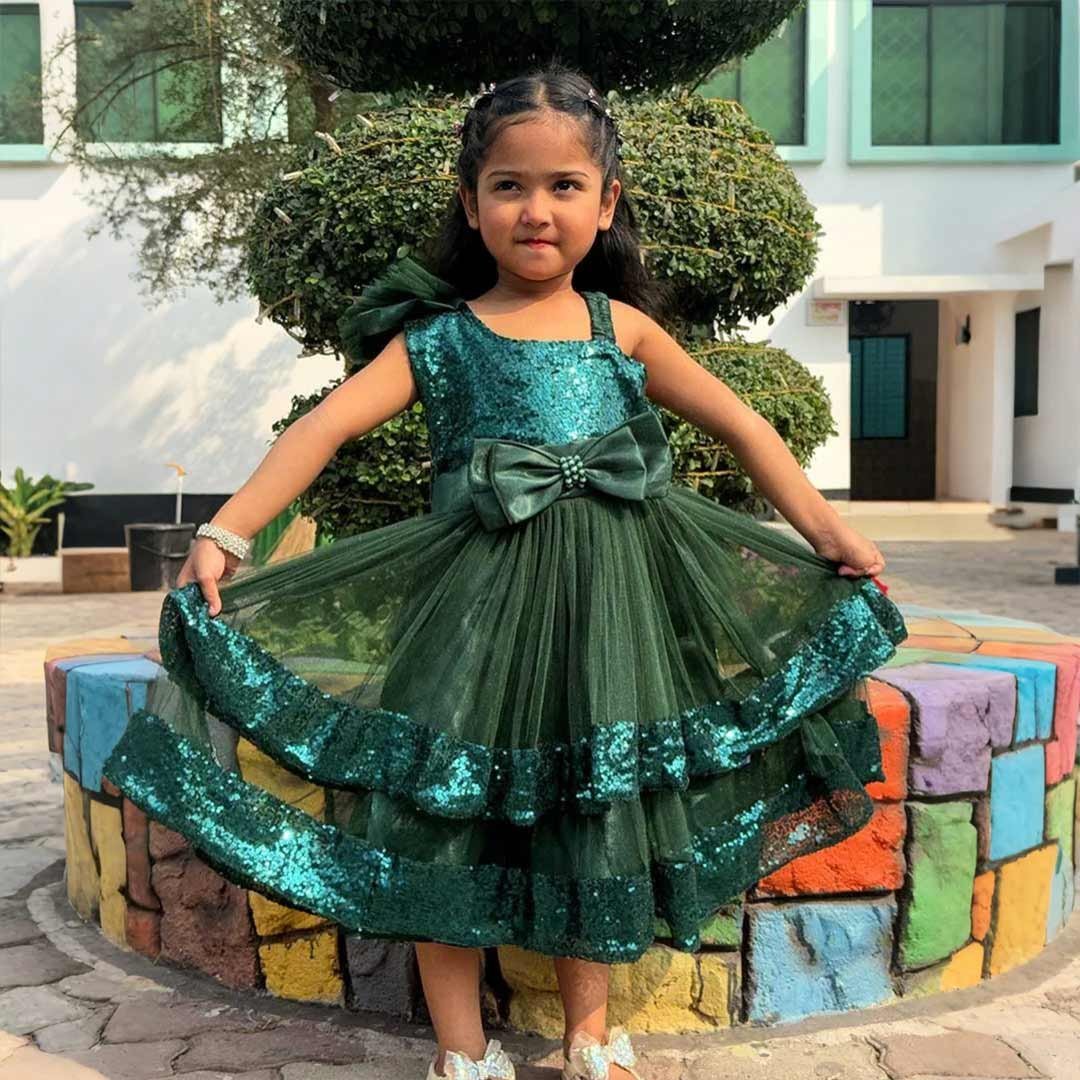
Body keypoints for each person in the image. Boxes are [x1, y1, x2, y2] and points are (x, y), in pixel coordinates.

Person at [102, 62, 908, 1080]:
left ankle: (588, 1036)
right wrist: (226, 532)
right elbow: (325, 428)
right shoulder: (439, 342)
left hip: (605, 627)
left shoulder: (624, 332)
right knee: (442, 816)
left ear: (605, 204)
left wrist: (826, 531)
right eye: (510, 186)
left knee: (594, 811)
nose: (537, 210)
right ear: (471, 202)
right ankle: (462, 1050)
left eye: (565, 186)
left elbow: (744, 425)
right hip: (471, 624)